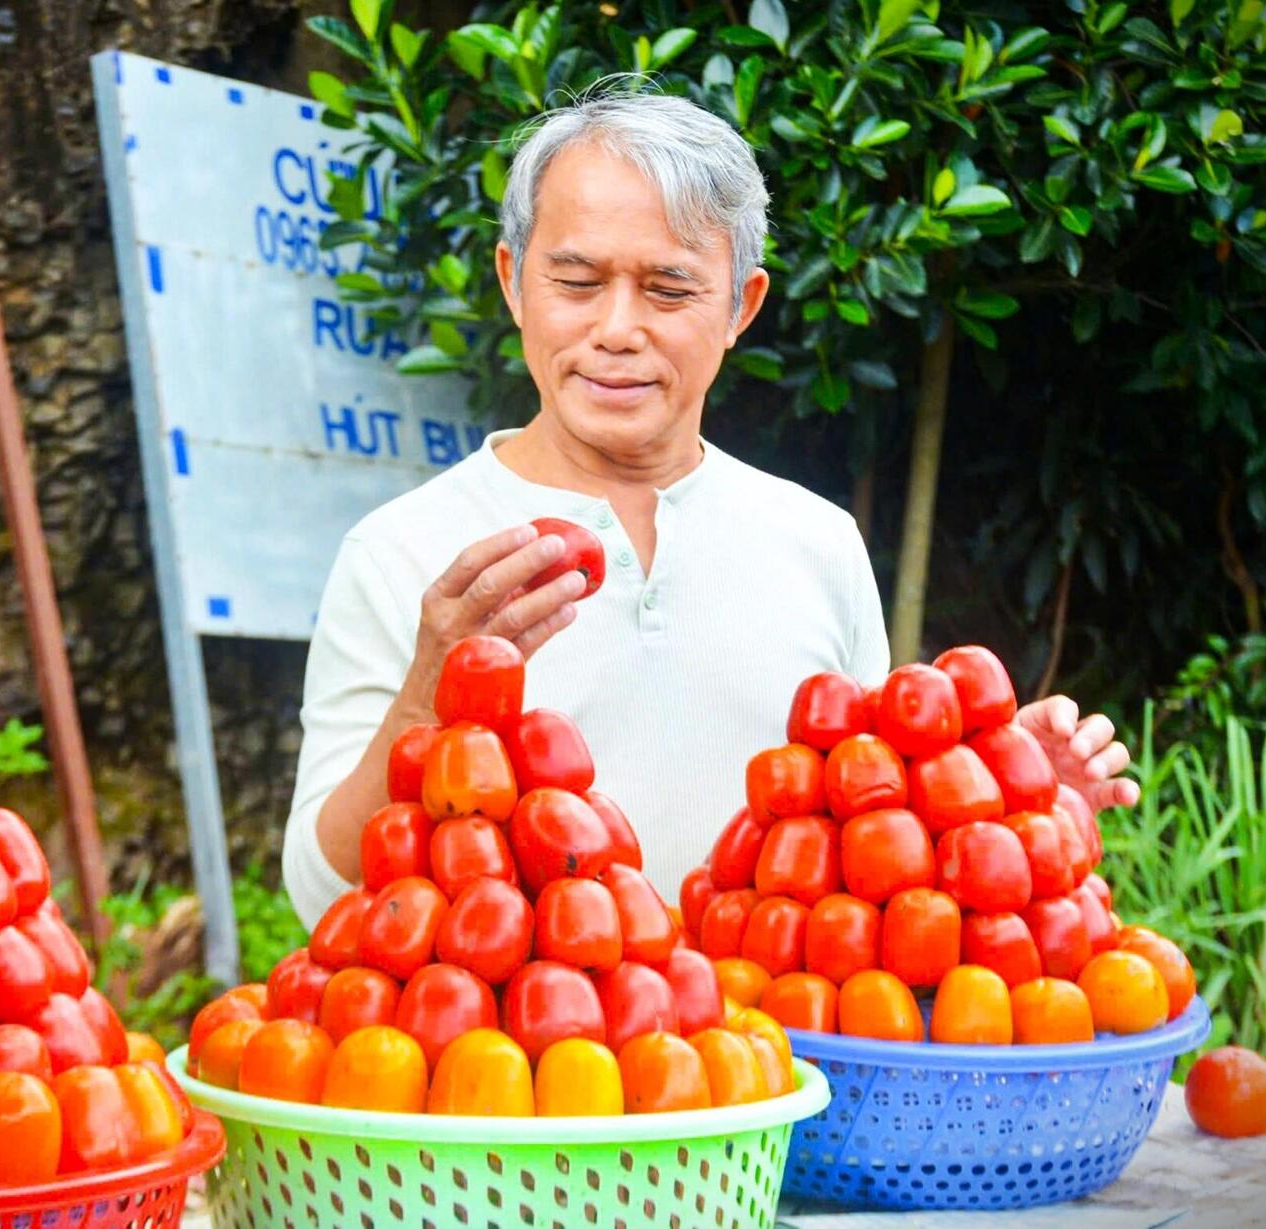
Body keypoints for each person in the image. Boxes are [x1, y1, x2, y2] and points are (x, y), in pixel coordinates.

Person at [281, 86, 1136, 927]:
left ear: (741, 307)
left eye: (669, 290)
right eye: (576, 280)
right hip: (525, 1060)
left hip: (780, 1063)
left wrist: (1005, 794)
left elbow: (879, 858)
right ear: (513, 283)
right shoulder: (401, 551)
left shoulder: (815, 542)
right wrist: (427, 699)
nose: (618, 328)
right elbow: (322, 891)